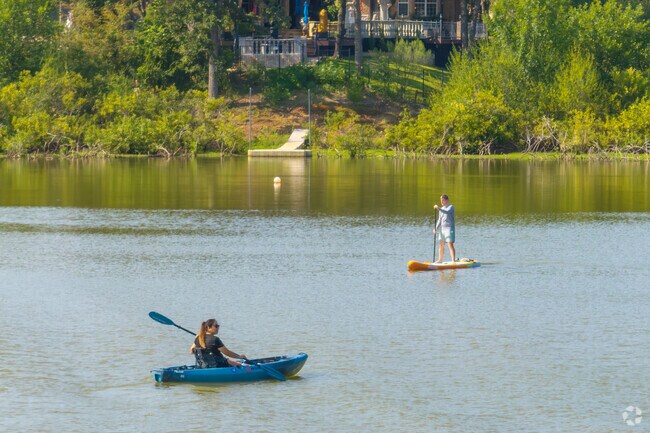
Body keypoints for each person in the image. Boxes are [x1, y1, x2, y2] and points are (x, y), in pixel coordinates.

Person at [433, 194, 456, 263]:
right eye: (441, 200)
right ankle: (440, 260)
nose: (441, 201)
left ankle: (453, 261)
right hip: (442, 229)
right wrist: (435, 228)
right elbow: (439, 220)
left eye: (443, 200)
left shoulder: (451, 207)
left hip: (449, 228)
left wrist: (438, 208)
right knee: (441, 244)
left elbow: (447, 212)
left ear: (447, 200)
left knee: (449, 244)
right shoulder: (441, 209)